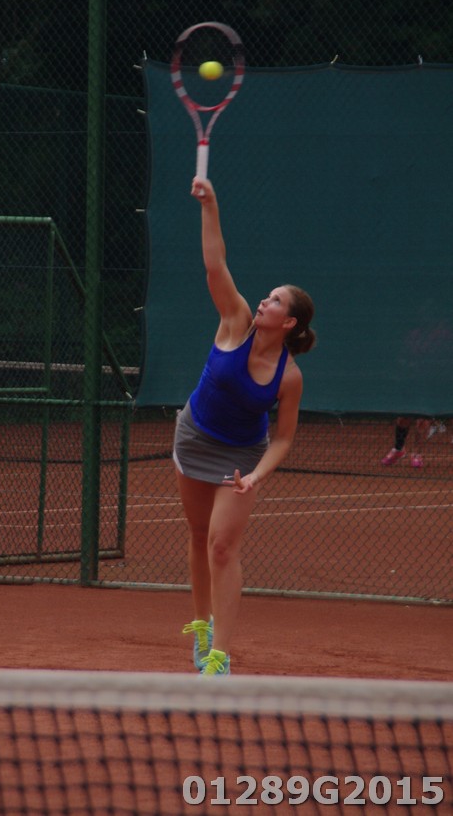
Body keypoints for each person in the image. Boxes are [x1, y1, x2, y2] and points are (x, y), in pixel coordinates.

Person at [174, 176, 316, 676]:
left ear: (290, 322)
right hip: (194, 436)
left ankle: (219, 656)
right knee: (198, 534)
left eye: (275, 301)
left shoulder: (289, 376)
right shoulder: (235, 319)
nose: (263, 302)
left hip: (240, 456)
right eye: (267, 296)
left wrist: (256, 475)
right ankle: (201, 626)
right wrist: (209, 205)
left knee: (222, 546)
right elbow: (216, 264)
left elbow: (284, 437)